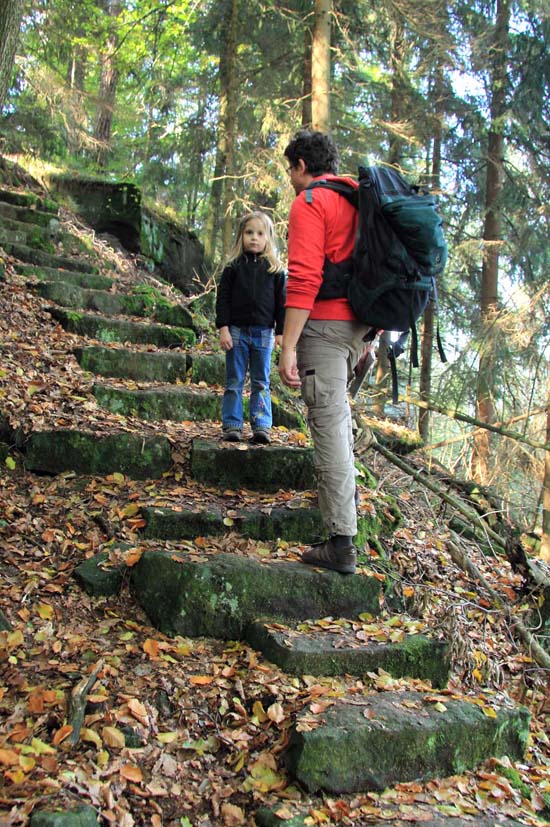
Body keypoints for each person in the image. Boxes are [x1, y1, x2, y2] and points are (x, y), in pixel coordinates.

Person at [278, 130, 370, 574]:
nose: (291, 181)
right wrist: (370, 336)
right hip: (360, 328)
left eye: (290, 171)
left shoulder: (312, 202)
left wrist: (288, 346)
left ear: (300, 165)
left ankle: (342, 543)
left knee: (330, 427)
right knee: (340, 420)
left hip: (326, 328)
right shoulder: (358, 198)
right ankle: (345, 531)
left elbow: (304, 279)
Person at [215, 211, 286, 444]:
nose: (254, 238)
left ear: (268, 239)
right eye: (249, 233)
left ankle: (262, 426)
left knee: (261, 381)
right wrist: (223, 327)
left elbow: (281, 303)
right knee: (234, 380)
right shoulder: (233, 268)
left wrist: (281, 332)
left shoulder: (274, 271)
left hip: (263, 333)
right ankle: (232, 425)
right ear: (241, 236)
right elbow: (223, 298)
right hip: (236, 331)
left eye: (260, 233)